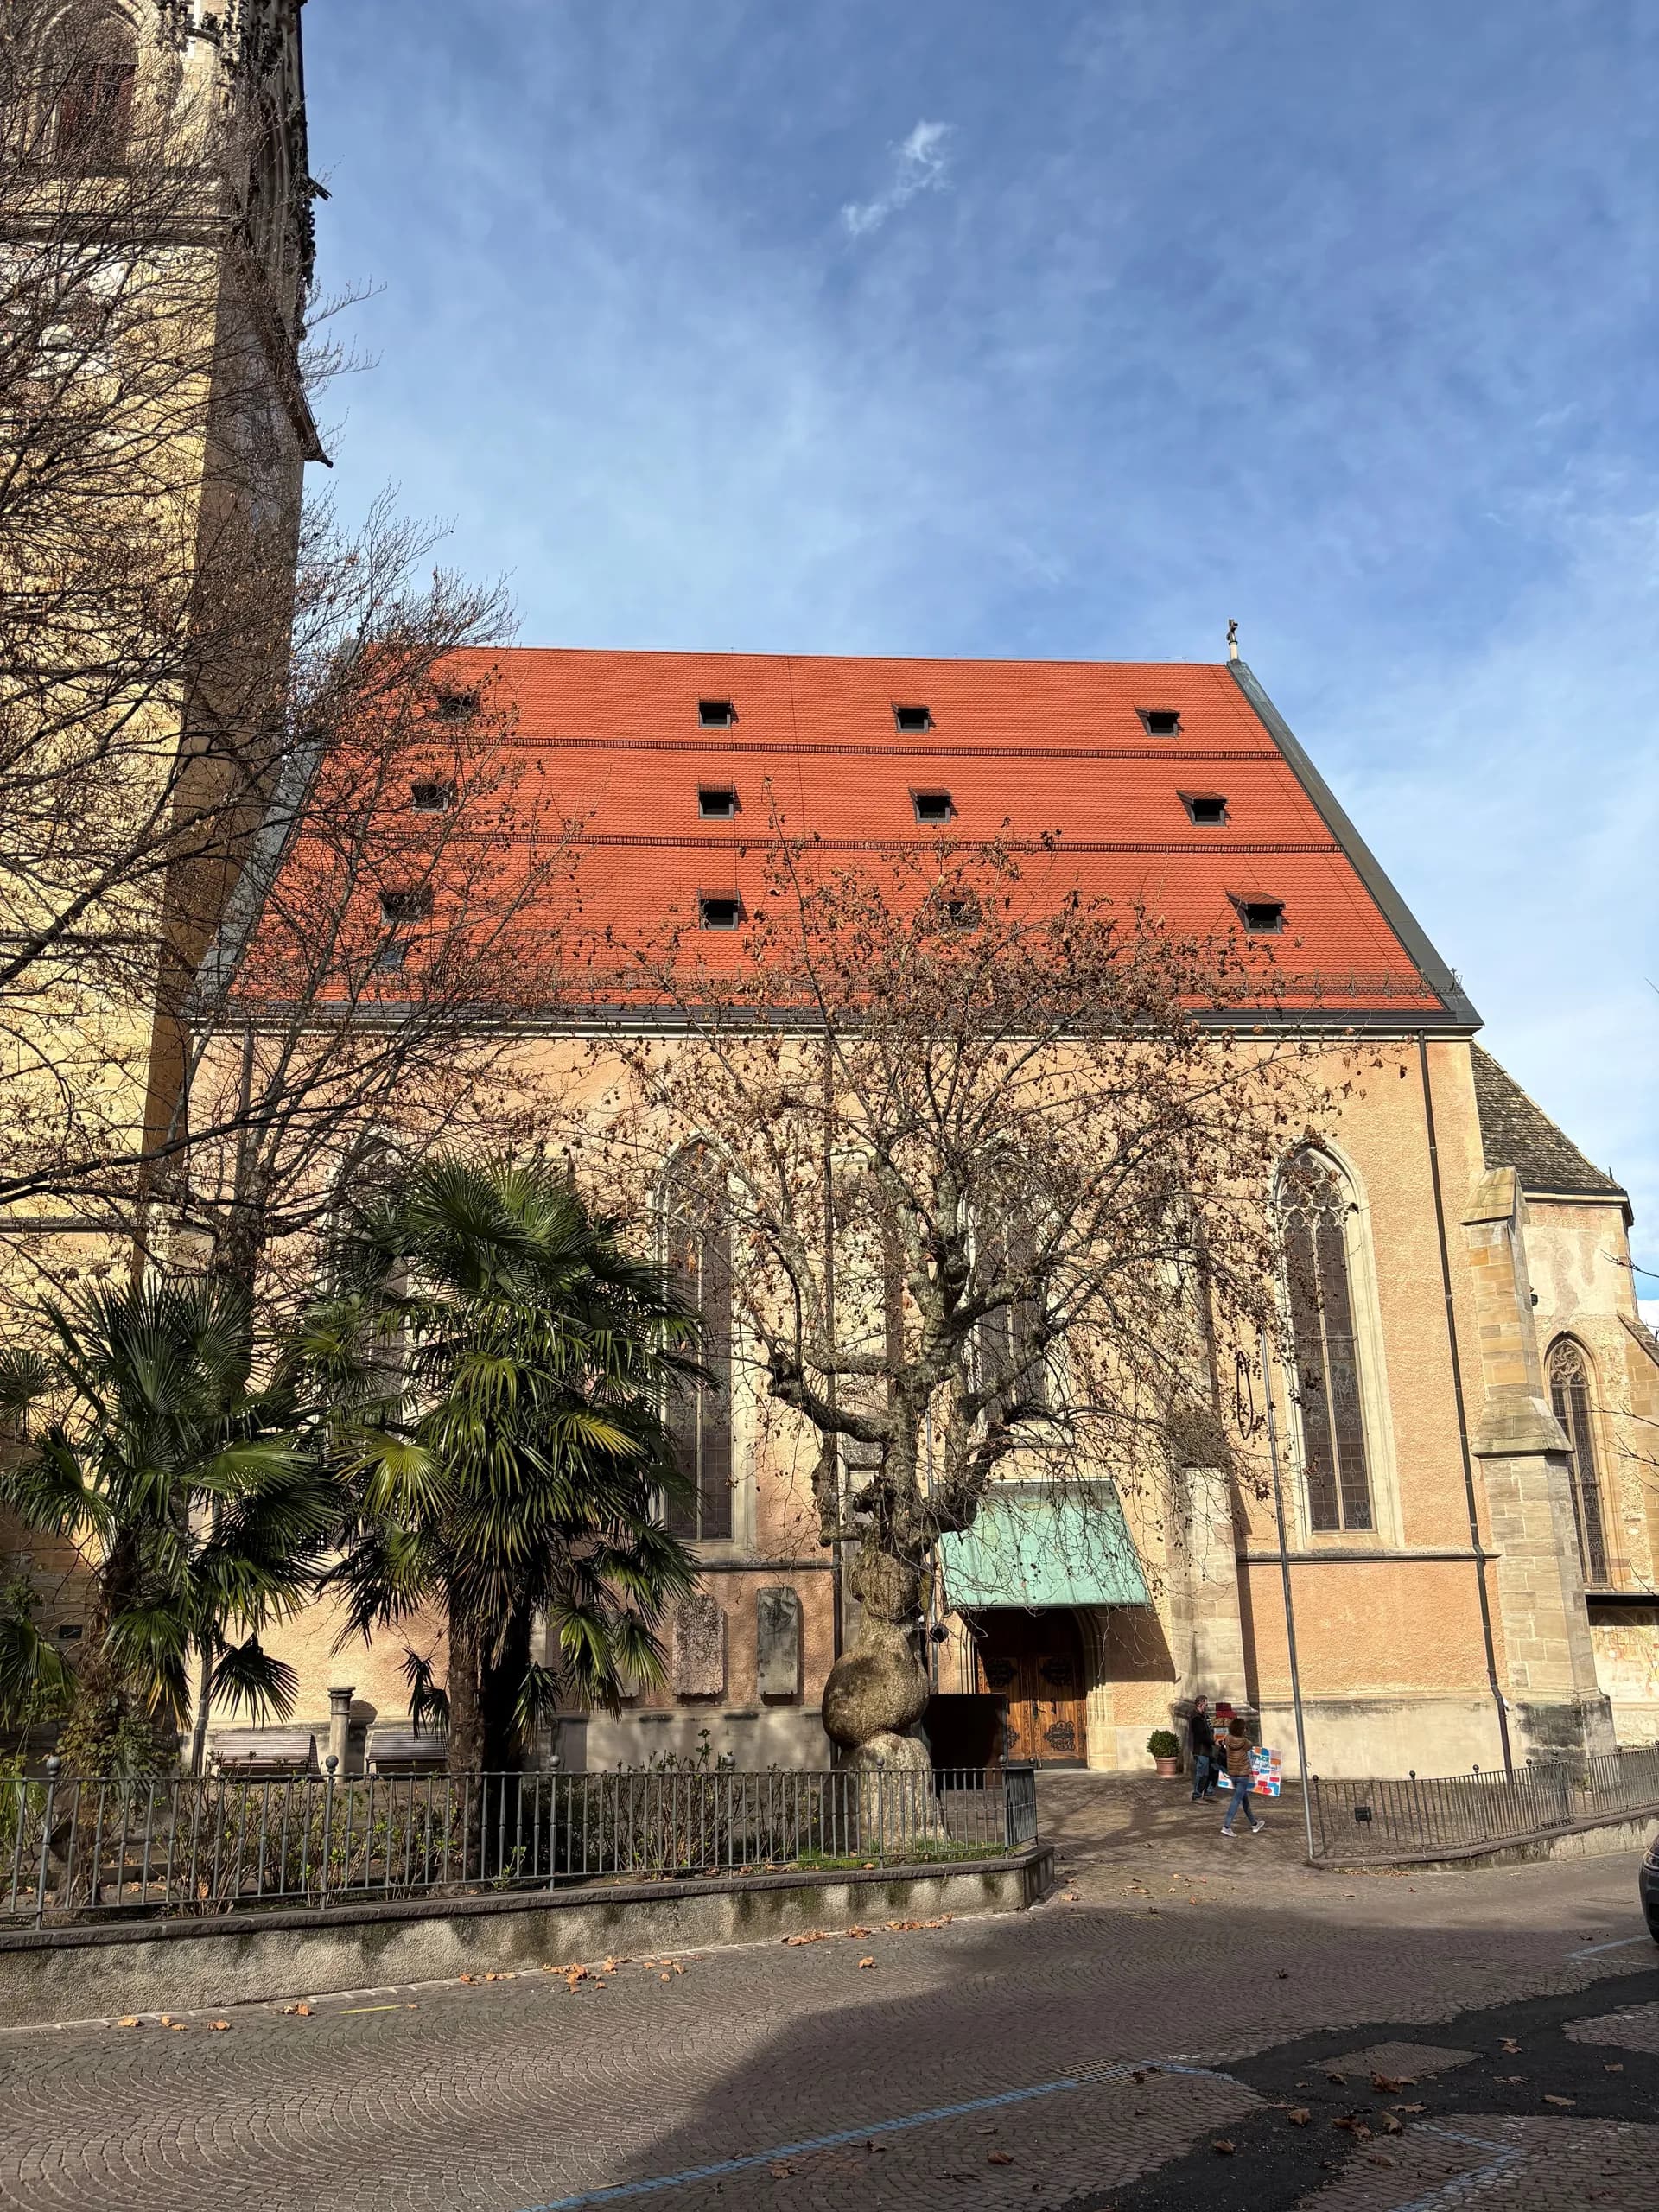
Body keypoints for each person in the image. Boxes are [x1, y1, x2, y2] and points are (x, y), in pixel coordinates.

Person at [1218, 1716, 1264, 1836]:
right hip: (1242, 1774)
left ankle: (1254, 1823)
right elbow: (1250, 1744)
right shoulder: (1245, 1742)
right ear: (1241, 1730)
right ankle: (1227, 1826)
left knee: (1244, 1800)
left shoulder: (1227, 1739)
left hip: (1232, 1773)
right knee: (1236, 1800)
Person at [1188, 1698, 1217, 1802]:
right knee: (1202, 1773)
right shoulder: (1195, 1718)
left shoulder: (1204, 1716)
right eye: (1206, 1704)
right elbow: (1201, 1736)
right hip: (1200, 1750)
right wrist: (1214, 1742)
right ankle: (1197, 1795)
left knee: (1214, 1769)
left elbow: (1210, 1730)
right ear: (1200, 1704)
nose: (1207, 1706)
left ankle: (1209, 1793)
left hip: (1209, 1749)